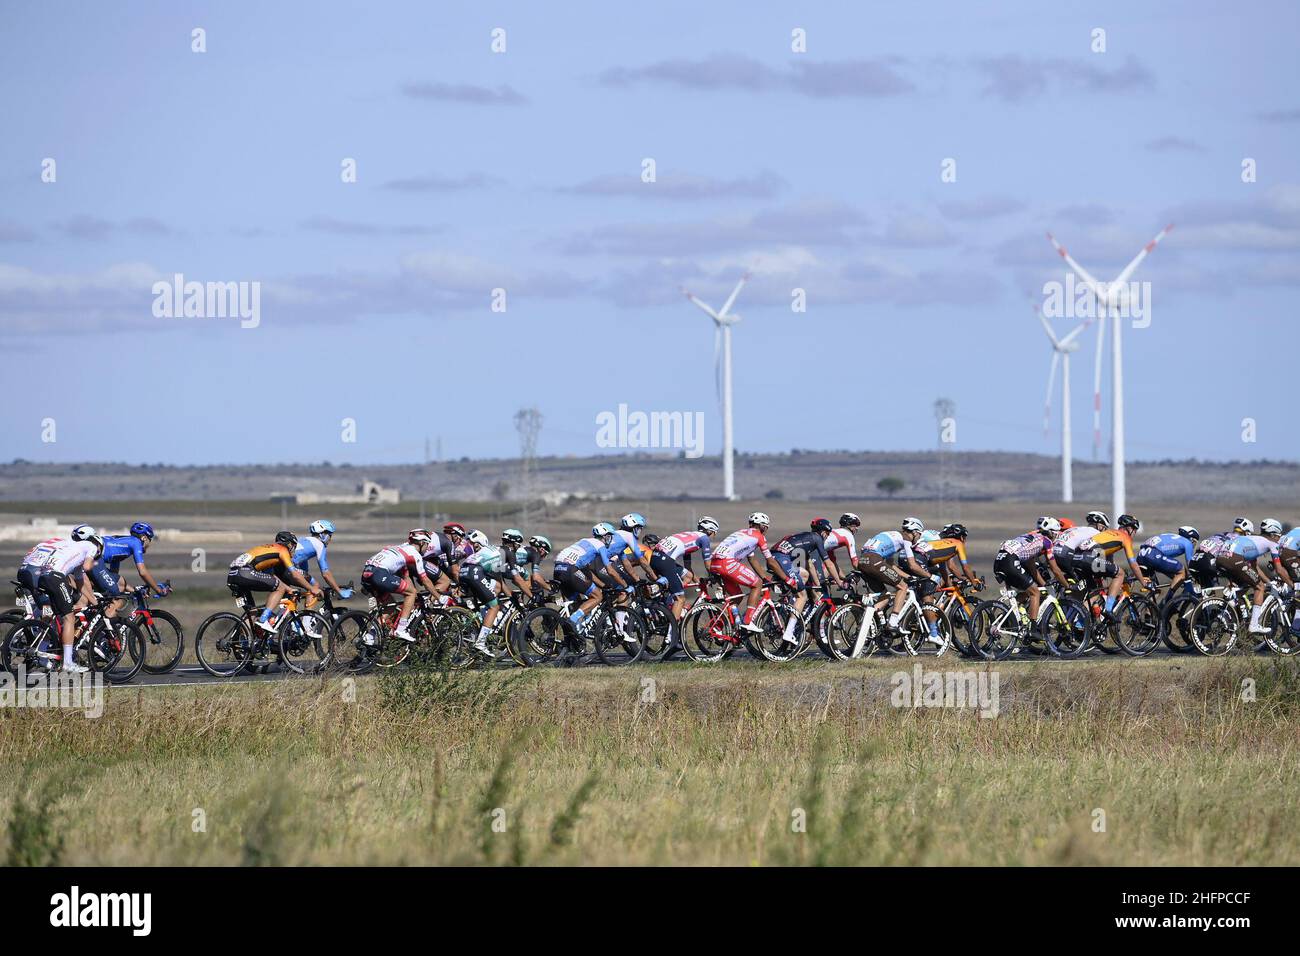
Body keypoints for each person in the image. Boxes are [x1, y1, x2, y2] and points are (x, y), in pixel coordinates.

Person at [36, 527, 104, 673]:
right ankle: (68, 662)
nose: (96, 557)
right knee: (69, 617)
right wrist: (93, 562)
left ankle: (41, 654)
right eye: (97, 554)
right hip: (55, 577)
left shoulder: (72, 548)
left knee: (55, 617)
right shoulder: (91, 546)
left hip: (43, 576)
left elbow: (80, 583)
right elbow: (87, 566)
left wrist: (93, 601)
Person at [706, 512, 788, 634]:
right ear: (763, 526)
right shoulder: (759, 536)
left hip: (714, 563)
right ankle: (748, 621)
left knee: (737, 597)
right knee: (757, 584)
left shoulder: (742, 533)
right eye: (766, 527)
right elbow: (770, 561)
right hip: (726, 562)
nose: (766, 530)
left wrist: (765, 578)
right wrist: (787, 579)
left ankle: (717, 628)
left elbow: (752, 559)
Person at [228, 532, 321, 632]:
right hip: (245, 572)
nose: (294, 549)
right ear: (289, 544)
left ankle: (241, 643)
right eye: (294, 545)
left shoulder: (268, 549)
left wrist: (289, 589)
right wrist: (312, 588)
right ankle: (263, 620)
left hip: (233, 575)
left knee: (252, 613)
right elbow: (295, 574)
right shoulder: (282, 550)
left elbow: (271, 576)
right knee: (279, 588)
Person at [360, 530, 442, 642]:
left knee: (389, 606)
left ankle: (369, 637)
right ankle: (401, 629)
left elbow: (405, 576)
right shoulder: (414, 554)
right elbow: (425, 580)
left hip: (367, 573)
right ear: (422, 543)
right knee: (411, 592)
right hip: (379, 573)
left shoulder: (399, 548)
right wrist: (439, 597)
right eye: (427, 544)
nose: (427, 548)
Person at [859, 517, 934, 637]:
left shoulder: (893, 535)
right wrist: (930, 576)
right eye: (919, 535)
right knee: (903, 587)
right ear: (914, 532)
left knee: (885, 596)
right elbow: (913, 565)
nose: (918, 539)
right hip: (874, 560)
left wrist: (908, 576)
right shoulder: (906, 540)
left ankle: (865, 622)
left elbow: (890, 564)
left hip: (863, 561)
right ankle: (893, 622)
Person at [770, 519, 838, 645]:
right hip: (781, 558)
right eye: (828, 533)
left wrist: (817, 586)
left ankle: (791, 606)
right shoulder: (817, 539)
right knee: (802, 596)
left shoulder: (804, 539)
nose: (827, 536)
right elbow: (828, 563)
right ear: (823, 532)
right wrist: (839, 582)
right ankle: (789, 631)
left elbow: (810, 566)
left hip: (774, 557)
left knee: (804, 574)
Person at [1220, 519, 1292, 635]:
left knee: (1245, 584)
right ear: (1273, 534)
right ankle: (1253, 625)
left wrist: (1269, 582)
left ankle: (1226, 610)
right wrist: (1292, 585)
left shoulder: (1253, 539)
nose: (1279, 539)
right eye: (1278, 536)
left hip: (1221, 558)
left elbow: (1255, 568)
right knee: (1260, 587)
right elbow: (1279, 570)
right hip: (1235, 559)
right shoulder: (1272, 544)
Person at [992, 517, 1071, 623]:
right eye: (1056, 534)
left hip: (999, 561)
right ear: (1051, 532)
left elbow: (1032, 567)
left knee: (1028, 590)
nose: (1056, 537)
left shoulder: (1031, 537)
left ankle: (1007, 617)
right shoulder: (1046, 541)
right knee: (1035, 593)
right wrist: (1067, 586)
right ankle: (1033, 630)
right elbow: (1055, 569)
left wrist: (1044, 584)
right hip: (1010, 562)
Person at [552, 525, 622, 627]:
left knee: (578, 604)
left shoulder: (584, 541)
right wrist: (624, 585)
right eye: (610, 536)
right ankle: (571, 621)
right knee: (597, 596)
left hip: (558, 570)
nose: (610, 540)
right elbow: (609, 570)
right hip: (570, 570)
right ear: (605, 536)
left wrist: (602, 585)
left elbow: (585, 570)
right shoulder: (600, 545)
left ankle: (574, 633)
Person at [653, 517, 718, 624]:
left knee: (687, 576)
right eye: (714, 533)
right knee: (681, 599)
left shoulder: (690, 536)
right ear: (710, 531)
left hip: (656, 557)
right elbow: (708, 565)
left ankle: (668, 599)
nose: (714, 536)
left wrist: (698, 581)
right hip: (665, 560)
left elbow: (688, 568)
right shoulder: (704, 538)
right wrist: (715, 577)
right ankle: (671, 635)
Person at [457, 529, 506, 656]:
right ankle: (481, 642)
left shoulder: (482, 552)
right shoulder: (499, 553)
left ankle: (473, 622)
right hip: (474, 572)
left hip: (463, 571)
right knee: (494, 606)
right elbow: (499, 581)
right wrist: (510, 594)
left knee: (476, 602)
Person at [291, 519, 351, 601]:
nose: (330, 539)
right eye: (330, 535)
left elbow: (302, 563)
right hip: (288, 567)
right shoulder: (319, 545)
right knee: (315, 585)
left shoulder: (304, 539)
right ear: (323, 534)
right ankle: (308, 613)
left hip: (283, 566)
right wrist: (339, 591)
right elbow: (326, 574)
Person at [1135, 526, 1199, 594]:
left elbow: (1166, 567)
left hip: (1142, 554)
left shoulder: (1172, 538)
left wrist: (1176, 578)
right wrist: (1197, 577)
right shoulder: (1187, 542)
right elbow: (1190, 565)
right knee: (1183, 571)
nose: (1193, 545)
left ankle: (1148, 603)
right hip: (1153, 555)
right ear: (1191, 539)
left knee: (1156, 590)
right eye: (1194, 542)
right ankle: (1169, 601)